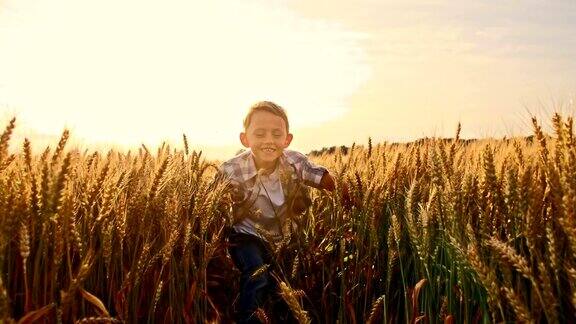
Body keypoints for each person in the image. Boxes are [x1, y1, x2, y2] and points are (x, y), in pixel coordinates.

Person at [218, 101, 336, 323]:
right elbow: (211, 197)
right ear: (245, 139)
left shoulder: (293, 161)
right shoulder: (233, 168)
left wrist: (342, 191)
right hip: (246, 234)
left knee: (281, 282)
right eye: (260, 134)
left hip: (281, 236)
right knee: (257, 273)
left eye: (276, 134)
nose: (268, 140)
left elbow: (316, 175)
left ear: (287, 139)